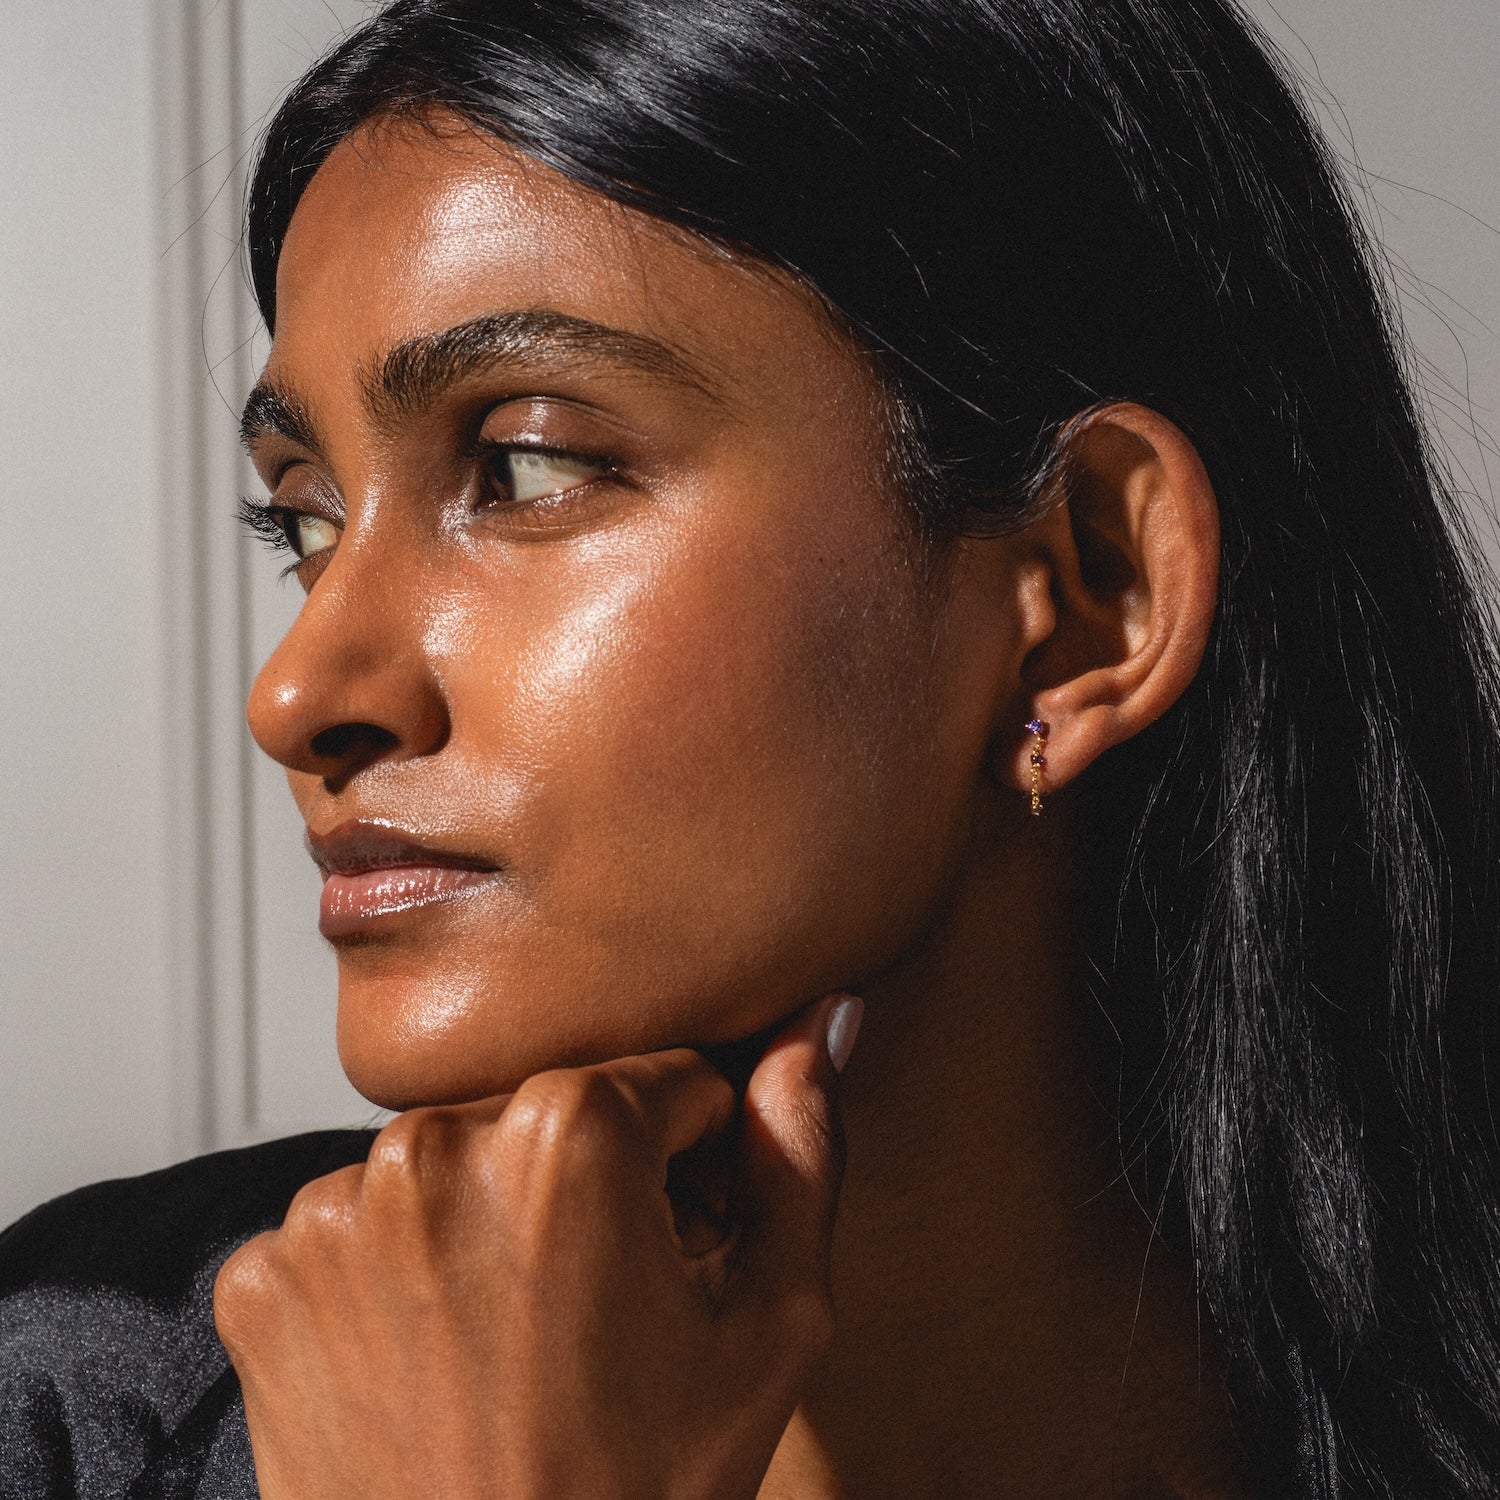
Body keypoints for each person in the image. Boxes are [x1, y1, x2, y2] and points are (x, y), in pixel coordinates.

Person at [3, 0, 1498, 1494]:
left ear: (1088, 595)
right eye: (308, 523)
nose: (296, 690)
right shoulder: (70, 1406)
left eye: (524, 467)